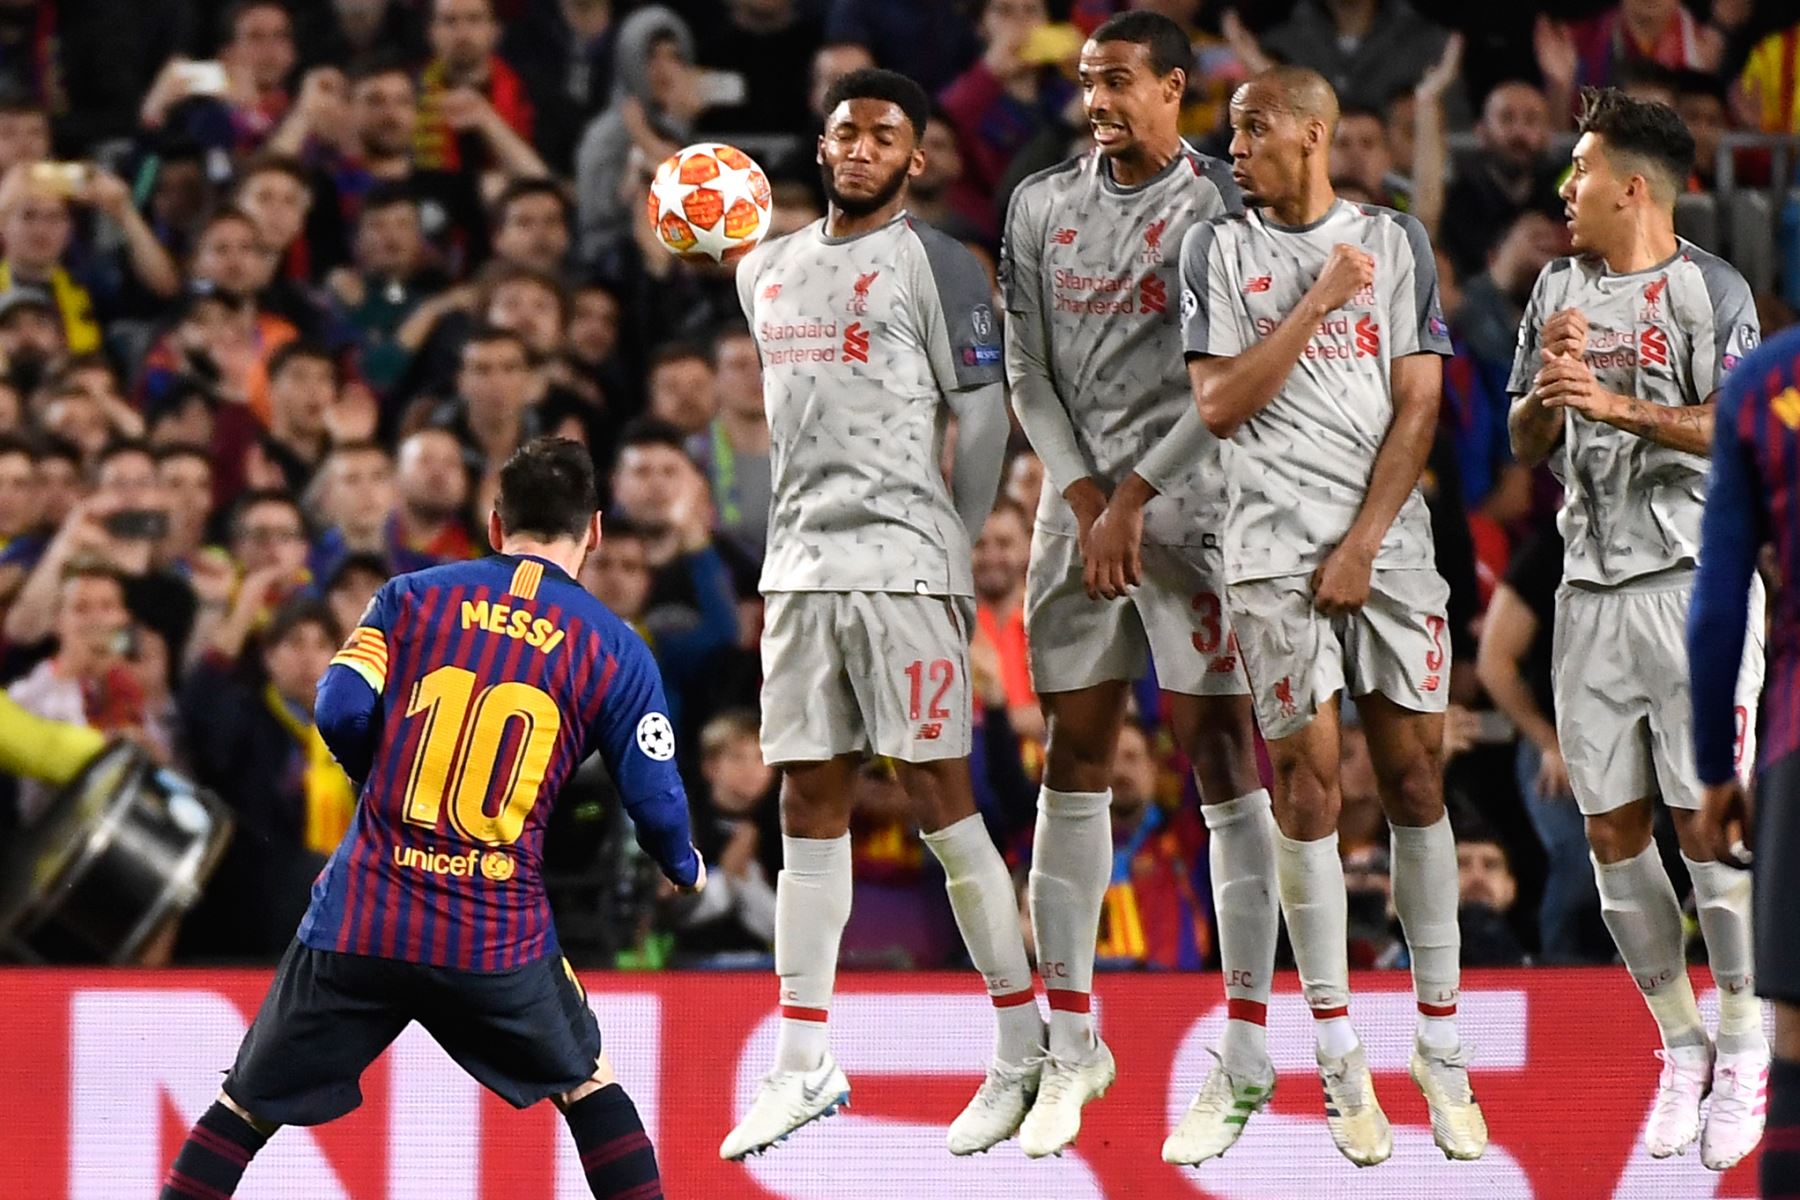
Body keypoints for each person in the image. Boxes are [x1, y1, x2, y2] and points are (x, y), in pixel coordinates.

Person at [157, 437, 703, 1200]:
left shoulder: (409, 598)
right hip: (494, 934)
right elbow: (655, 798)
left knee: (242, 1107)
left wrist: (374, 774)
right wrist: (683, 865)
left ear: (493, 521)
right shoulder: (615, 649)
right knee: (587, 1083)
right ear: (596, 531)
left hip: (364, 914)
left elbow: (339, 705)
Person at [718, 67, 1031, 1162]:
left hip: (904, 570)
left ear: (918, 159)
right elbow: (721, 242)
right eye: (846, 131)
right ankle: (803, 1062)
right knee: (808, 803)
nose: (860, 147)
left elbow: (986, 416)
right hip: (800, 572)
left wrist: (959, 528)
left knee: (943, 801)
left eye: (883, 134)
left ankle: (1023, 1039)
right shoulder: (769, 271)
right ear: (822, 147)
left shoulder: (943, 268)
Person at [1181, 65, 1485, 1166]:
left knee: (1415, 781)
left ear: (1315, 132)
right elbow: (1217, 403)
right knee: (1304, 788)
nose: (1236, 146)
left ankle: (1440, 1046)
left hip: (1389, 548)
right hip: (1266, 553)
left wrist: (1364, 542)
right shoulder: (1219, 251)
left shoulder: (1396, 242)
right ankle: (1337, 1049)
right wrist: (1315, 300)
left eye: (1253, 127)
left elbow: (1420, 402)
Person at [1000, 10, 1273, 1163]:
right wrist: (1076, 498)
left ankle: (1249, 1047)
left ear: (1177, 89)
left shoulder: (1222, 213)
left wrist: (1132, 500)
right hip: (1083, 516)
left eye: (1119, 81)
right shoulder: (1037, 204)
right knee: (1074, 755)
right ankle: (1070, 1042)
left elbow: (1228, 390)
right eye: (1085, 81)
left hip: (1195, 511)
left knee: (1217, 755)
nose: (1097, 99)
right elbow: (1027, 366)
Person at [1507, 87, 1766, 1170]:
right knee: (1611, 832)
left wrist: (1616, 405)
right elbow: (1524, 440)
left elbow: (1742, 425)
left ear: (1632, 185)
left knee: (1705, 823)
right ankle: (1681, 1042)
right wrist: (1553, 396)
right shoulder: (1555, 287)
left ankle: (1747, 1039)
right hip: (1588, 592)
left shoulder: (1712, 289)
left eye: (1578, 169)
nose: (1563, 188)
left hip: (1694, 584)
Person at [1687, 318, 1800, 1200]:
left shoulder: (1765, 386)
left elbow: (1720, 601)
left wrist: (1717, 768)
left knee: (1794, 1029)